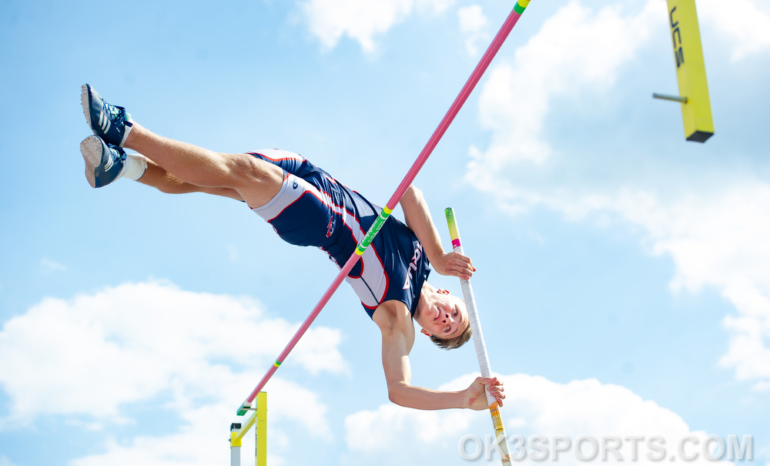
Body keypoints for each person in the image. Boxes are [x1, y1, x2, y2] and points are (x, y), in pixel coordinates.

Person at [78, 84, 505, 411]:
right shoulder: (425, 262)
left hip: (322, 221)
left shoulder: (399, 321)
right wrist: (436, 255)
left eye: (445, 328)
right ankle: (122, 169)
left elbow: (398, 390)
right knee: (214, 178)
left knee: (237, 171)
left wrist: (461, 399)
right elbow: (410, 193)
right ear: (449, 296)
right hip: (315, 174)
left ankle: (124, 129)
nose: (446, 318)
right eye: (454, 314)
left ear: (429, 332)